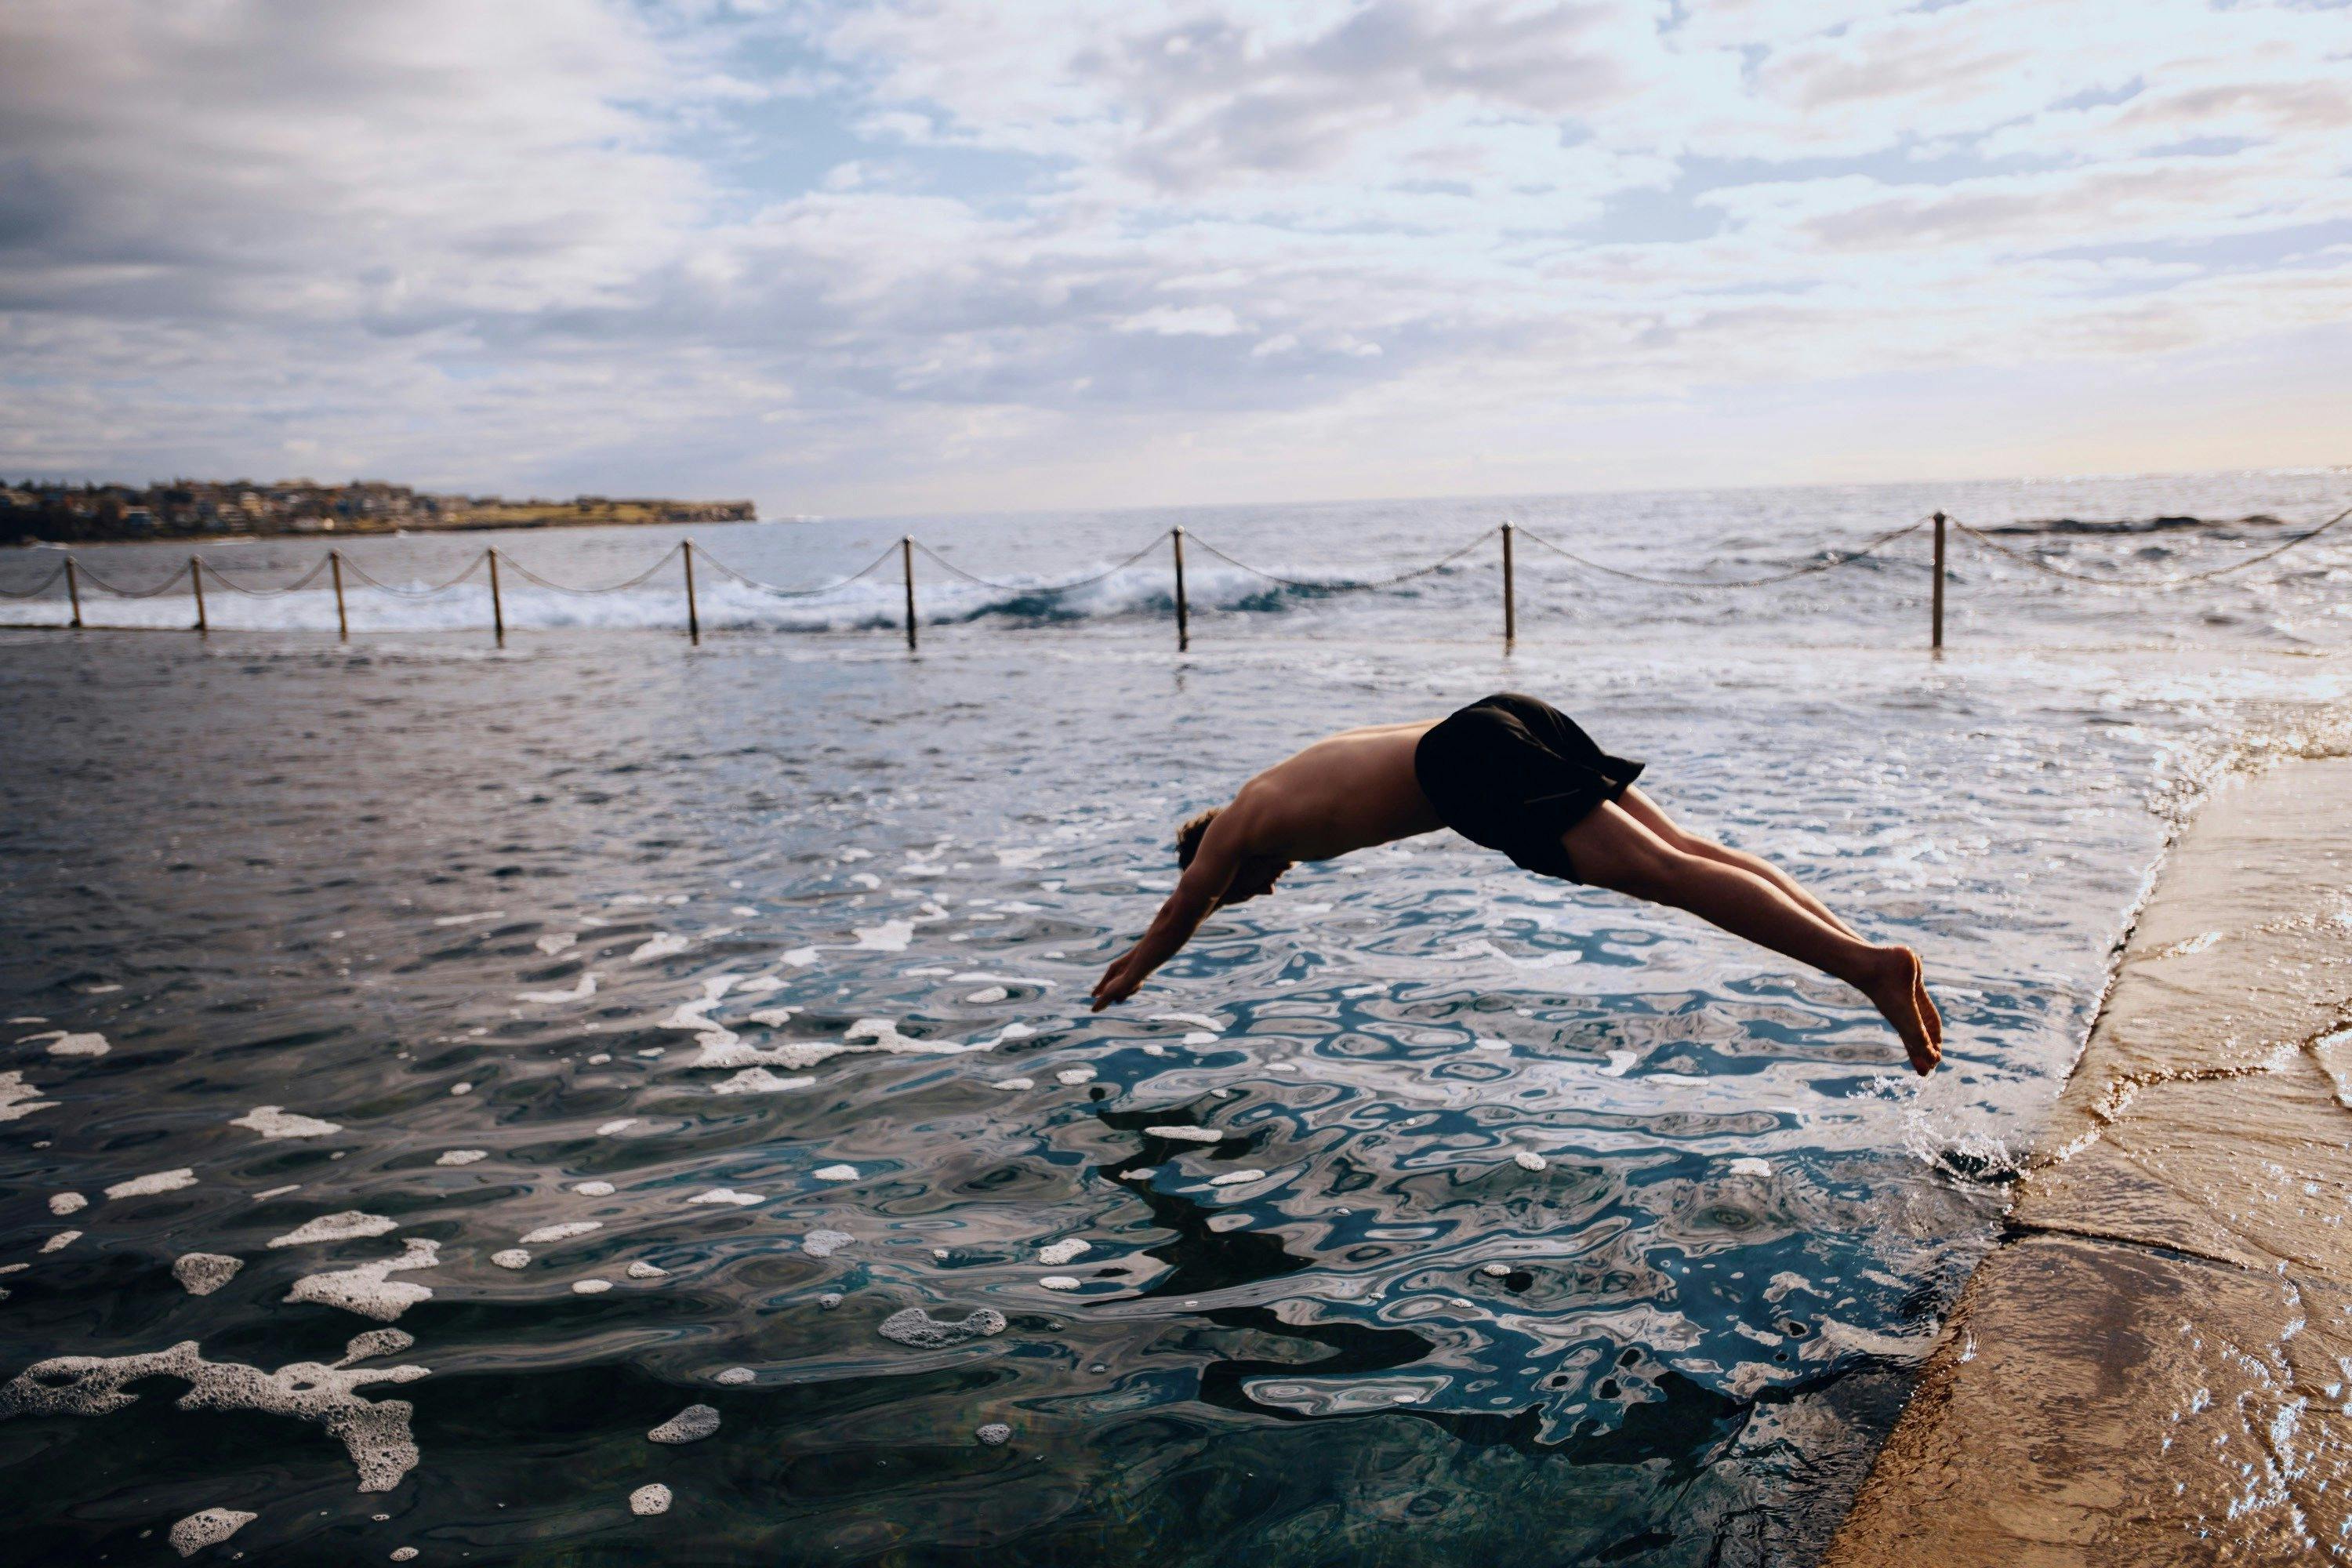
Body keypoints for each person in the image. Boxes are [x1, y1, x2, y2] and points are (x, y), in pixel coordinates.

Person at [1091, 692, 1941, 1074]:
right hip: (1502, 717)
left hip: (1467, 760)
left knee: (1666, 876)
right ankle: (1866, 955)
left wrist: (1133, 969)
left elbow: (1182, 902)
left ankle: (1867, 967)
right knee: (1683, 848)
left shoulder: (1240, 823)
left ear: (1223, 861)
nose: (1265, 890)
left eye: (1248, 888)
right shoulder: (1279, 784)